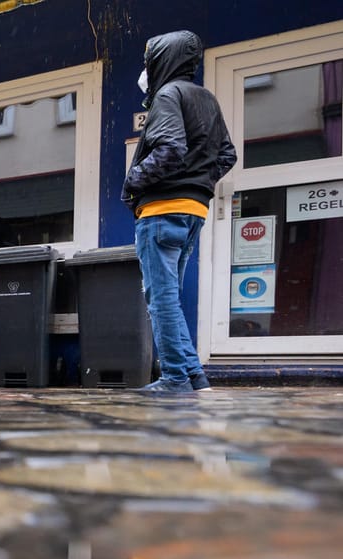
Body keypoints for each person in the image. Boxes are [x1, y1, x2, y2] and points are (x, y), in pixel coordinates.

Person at [123, 30, 236, 393]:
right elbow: (226, 155)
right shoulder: (207, 99)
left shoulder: (167, 95)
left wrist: (133, 182)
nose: (145, 69)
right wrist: (198, 183)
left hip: (161, 211)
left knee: (161, 299)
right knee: (170, 297)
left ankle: (174, 378)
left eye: (148, 61)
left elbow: (170, 148)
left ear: (162, 60)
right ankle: (195, 377)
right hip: (193, 213)